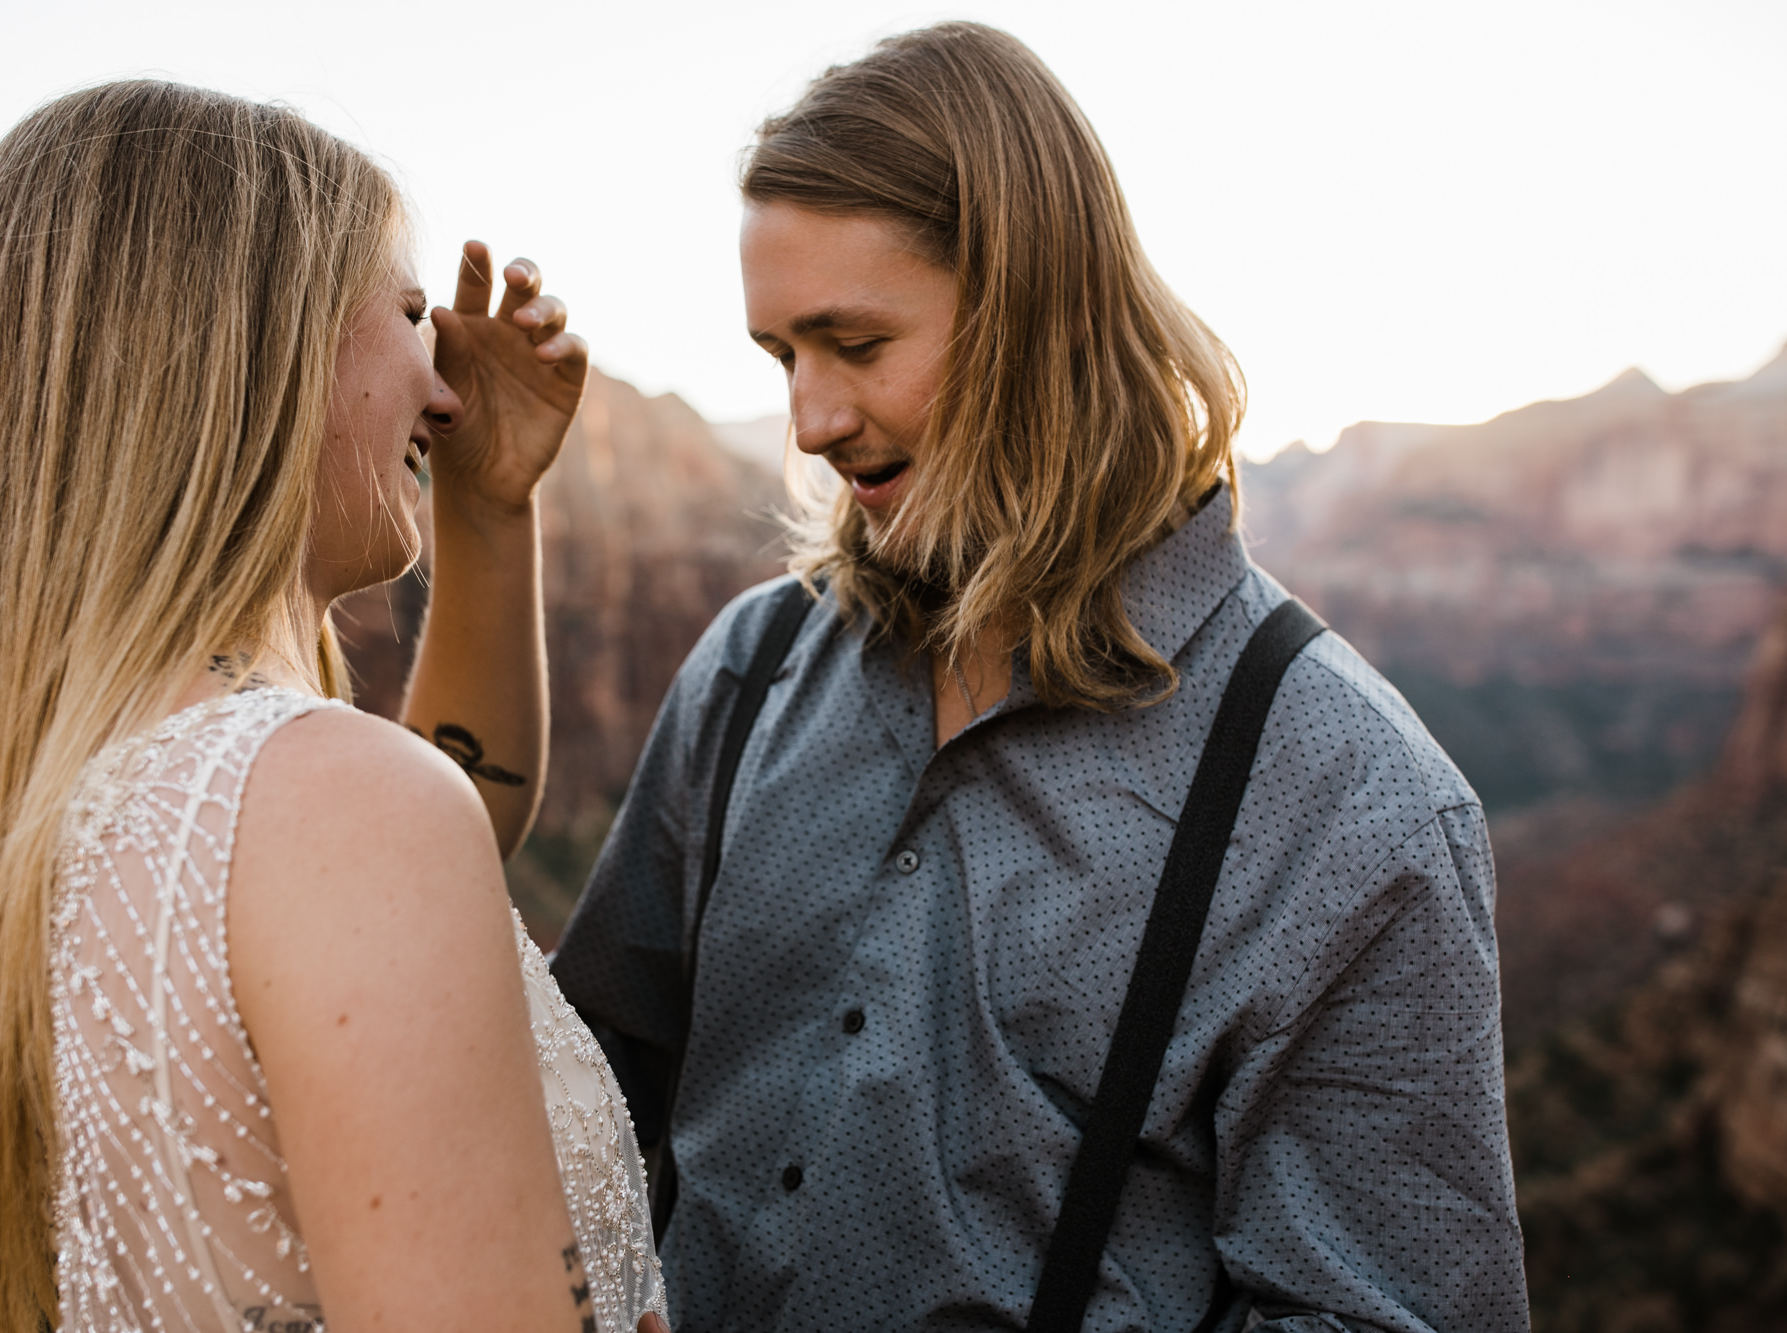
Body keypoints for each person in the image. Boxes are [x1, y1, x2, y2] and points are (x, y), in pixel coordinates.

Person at [552, 22, 1529, 1332]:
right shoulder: (748, 671)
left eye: (853, 343)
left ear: (1042, 314)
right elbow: (582, 1102)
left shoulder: (1351, 803)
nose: (811, 422)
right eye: (783, 356)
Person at [0, 81, 666, 1333]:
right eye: (409, 311)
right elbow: (396, 823)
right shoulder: (333, 808)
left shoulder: (69, 790)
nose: (446, 383)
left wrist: (485, 508)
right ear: (257, 343)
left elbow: (450, 805)